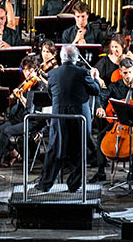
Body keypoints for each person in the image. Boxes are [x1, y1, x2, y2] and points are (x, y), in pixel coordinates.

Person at [36, 44, 103, 192]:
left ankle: (45, 184)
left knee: (54, 149)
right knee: (79, 150)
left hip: (58, 116)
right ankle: (74, 185)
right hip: (79, 117)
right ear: (76, 58)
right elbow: (96, 90)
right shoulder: (83, 72)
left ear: (61, 58)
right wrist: (95, 78)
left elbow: (51, 94)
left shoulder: (52, 73)